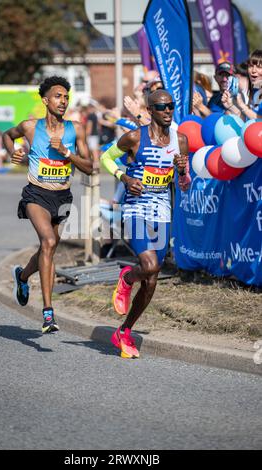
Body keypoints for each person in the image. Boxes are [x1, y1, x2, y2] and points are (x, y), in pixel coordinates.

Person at [101, 89, 191, 359]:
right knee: (149, 266)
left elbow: (185, 185)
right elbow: (105, 158)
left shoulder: (181, 140)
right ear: (150, 110)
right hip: (136, 208)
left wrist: (183, 170)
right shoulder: (134, 137)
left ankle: (124, 331)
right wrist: (124, 178)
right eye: (162, 107)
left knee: (151, 279)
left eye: (171, 106)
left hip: (162, 209)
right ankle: (127, 277)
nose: (168, 111)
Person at [3, 76, 92, 334]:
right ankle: (48, 314)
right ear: (45, 100)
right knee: (49, 243)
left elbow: (89, 167)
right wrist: (14, 152)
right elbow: (8, 135)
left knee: (47, 249)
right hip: (36, 195)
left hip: (62, 198)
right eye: (57, 96)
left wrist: (66, 152)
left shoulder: (77, 129)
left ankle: (22, 276)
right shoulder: (31, 127)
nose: (63, 101)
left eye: (66, 97)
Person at [221, 50, 262, 120]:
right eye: (251, 66)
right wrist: (231, 106)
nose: (253, 70)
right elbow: (248, 121)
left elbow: (259, 121)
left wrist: (243, 106)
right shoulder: (256, 90)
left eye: (259, 67)